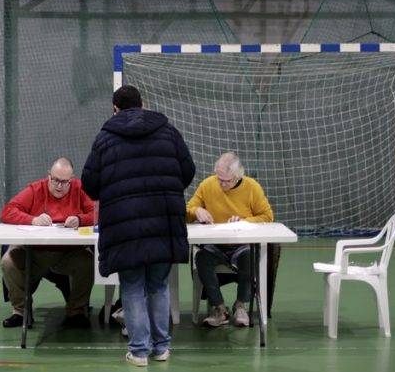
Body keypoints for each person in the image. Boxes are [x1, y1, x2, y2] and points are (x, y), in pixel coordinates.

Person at [82, 85, 195, 367]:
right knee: (158, 284)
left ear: (115, 109)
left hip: (124, 226)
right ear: (142, 104)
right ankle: (161, 347)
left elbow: (90, 185)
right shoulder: (168, 132)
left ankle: (139, 351)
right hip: (163, 221)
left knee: (132, 286)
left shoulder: (105, 139)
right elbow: (188, 170)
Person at [0, 157, 95, 329]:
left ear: (72, 179)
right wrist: (32, 220)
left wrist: (81, 219)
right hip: (34, 254)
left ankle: (76, 311)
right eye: (55, 180)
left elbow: (97, 213)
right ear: (49, 175)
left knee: (88, 261)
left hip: (68, 254)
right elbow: (7, 211)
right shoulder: (36, 189)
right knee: (8, 261)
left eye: (64, 182)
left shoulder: (79, 189)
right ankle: (21, 312)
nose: (59, 186)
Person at [186, 152, 274, 328]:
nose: (222, 184)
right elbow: (189, 209)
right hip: (215, 245)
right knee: (201, 258)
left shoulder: (252, 187)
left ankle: (240, 306)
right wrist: (196, 211)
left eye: (227, 181)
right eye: (219, 179)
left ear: (238, 176)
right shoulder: (207, 184)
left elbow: (267, 216)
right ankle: (220, 309)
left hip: (241, 245)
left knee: (249, 258)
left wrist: (243, 221)